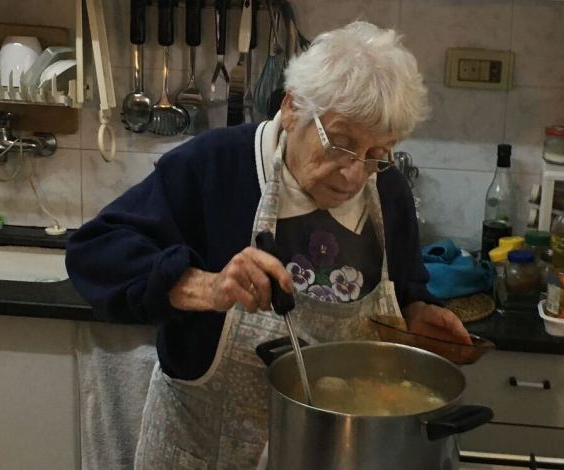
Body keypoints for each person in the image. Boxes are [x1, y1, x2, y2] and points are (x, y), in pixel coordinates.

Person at [66, 20, 471, 469]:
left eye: (378, 154)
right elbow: (94, 252)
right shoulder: (215, 166)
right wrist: (206, 286)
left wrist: (418, 316)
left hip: (339, 453)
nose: (355, 174)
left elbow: (405, 287)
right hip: (206, 453)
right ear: (293, 107)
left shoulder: (388, 192)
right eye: (340, 143)